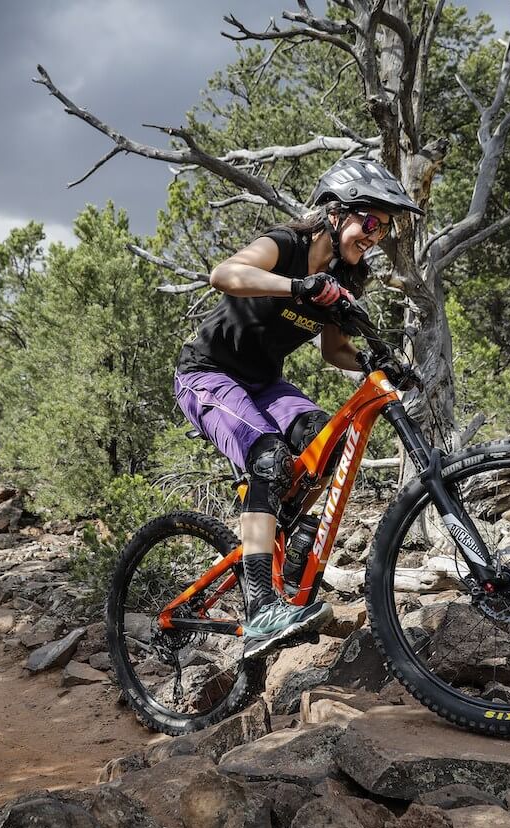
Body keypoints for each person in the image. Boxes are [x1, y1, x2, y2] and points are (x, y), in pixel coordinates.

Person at [174, 157, 423, 659]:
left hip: (266, 383)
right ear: (336, 212)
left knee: (325, 440)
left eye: (386, 227)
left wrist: (378, 364)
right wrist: (295, 286)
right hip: (207, 375)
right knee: (267, 458)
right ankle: (263, 605)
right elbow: (224, 273)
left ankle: (282, 534)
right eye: (370, 221)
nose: (376, 235)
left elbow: (334, 351)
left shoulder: (349, 277)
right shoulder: (287, 246)